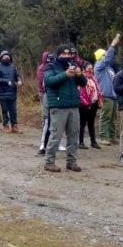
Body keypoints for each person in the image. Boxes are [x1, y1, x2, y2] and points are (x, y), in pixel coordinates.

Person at [43, 45, 87, 173]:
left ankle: (71, 161)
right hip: (58, 105)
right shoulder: (50, 66)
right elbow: (49, 81)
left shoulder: (73, 65)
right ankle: (49, 162)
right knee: (56, 135)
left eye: (68, 54)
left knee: (74, 135)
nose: (67, 56)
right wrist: (65, 74)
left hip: (73, 105)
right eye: (63, 54)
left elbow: (83, 83)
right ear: (58, 55)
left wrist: (79, 75)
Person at [94, 34, 121, 146]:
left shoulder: (109, 68)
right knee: (105, 116)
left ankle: (111, 136)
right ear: (100, 57)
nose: (107, 57)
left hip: (113, 95)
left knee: (113, 117)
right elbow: (108, 58)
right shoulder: (99, 66)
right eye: (104, 55)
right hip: (105, 94)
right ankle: (103, 137)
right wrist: (113, 45)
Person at [0, 50, 22, 133]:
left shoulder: (13, 67)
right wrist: (6, 81)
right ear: (1, 58)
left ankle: (14, 126)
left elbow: (17, 76)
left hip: (12, 92)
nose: (6, 57)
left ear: (10, 57)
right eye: (4, 56)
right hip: (2, 93)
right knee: (4, 110)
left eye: (7, 56)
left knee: (13, 110)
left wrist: (19, 80)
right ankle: (5, 125)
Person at [36, 51, 58, 155]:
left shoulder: (58, 67)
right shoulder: (43, 68)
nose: (50, 60)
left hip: (57, 98)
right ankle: (43, 145)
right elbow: (45, 83)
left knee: (57, 122)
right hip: (46, 95)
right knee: (47, 120)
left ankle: (55, 143)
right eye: (48, 58)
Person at [77, 61, 102, 149]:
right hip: (83, 104)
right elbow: (80, 91)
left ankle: (93, 141)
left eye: (92, 69)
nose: (91, 70)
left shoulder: (93, 78)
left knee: (91, 123)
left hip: (93, 103)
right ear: (84, 69)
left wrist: (99, 100)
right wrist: (85, 102)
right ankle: (80, 142)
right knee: (82, 123)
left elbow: (98, 89)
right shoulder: (81, 78)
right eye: (89, 69)